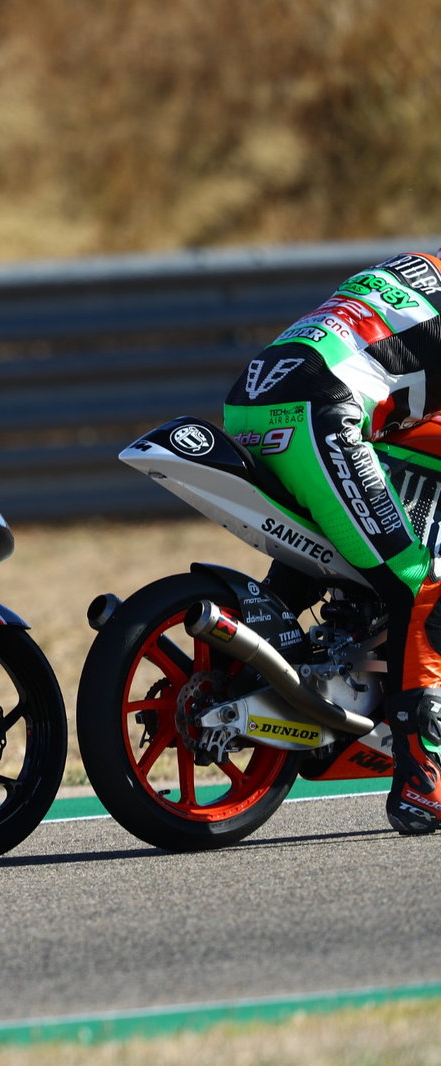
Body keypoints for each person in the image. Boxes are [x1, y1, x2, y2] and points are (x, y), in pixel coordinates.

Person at [223, 250, 441, 836]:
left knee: (339, 551)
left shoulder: (416, 266)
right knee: (419, 584)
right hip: (320, 409)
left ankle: (266, 662)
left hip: (250, 399)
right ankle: (424, 778)